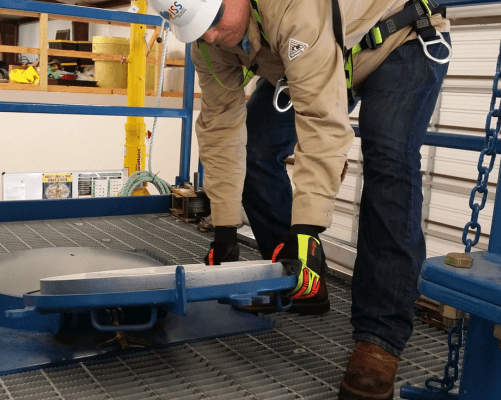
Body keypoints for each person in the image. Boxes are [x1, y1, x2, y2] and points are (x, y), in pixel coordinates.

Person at [149, 0, 451, 399]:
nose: (209, 35)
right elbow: (221, 127)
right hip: (324, 56)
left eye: (214, 21)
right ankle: (301, 276)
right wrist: (224, 228)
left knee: (389, 162)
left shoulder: (291, 6)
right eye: (196, 29)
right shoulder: (209, 44)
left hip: (397, 40)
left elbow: (322, 120)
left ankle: (379, 338)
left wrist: (308, 227)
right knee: (257, 150)